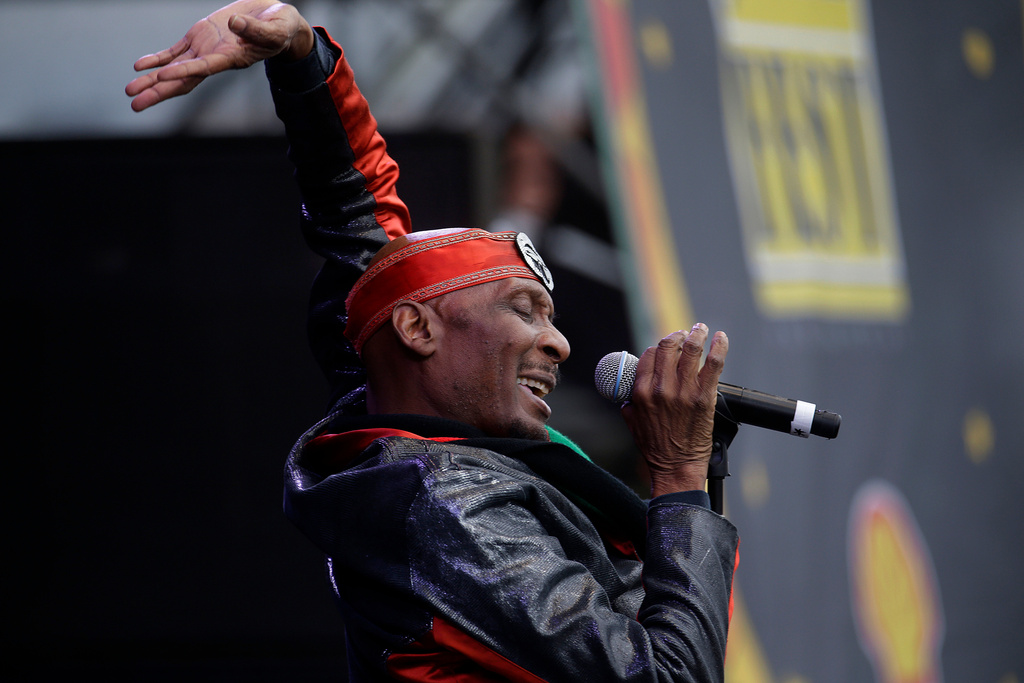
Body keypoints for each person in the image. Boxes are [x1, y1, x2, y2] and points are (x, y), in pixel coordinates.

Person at [127, 2, 739, 681]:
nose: (559, 343)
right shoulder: (449, 507)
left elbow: (354, 210)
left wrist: (303, 59)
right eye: (526, 311)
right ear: (418, 330)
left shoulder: (395, 418)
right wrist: (681, 481)